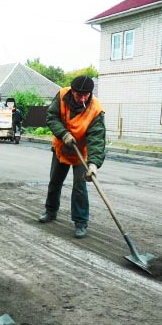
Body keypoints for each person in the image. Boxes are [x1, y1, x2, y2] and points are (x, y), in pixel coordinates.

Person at [38, 76, 106, 239]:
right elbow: (51, 117)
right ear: (72, 91)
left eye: (86, 95)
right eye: (79, 95)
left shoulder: (96, 109)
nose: (83, 98)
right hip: (62, 146)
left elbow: (97, 138)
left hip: (81, 152)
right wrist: (63, 134)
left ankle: (81, 222)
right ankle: (50, 211)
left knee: (79, 187)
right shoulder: (61, 95)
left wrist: (93, 164)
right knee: (55, 181)